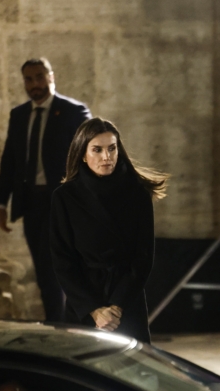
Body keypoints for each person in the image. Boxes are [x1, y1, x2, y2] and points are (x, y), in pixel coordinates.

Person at [49, 118, 167, 343]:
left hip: (126, 300)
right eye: (97, 150)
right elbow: (62, 261)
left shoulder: (138, 193)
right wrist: (94, 310)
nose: (106, 156)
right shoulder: (65, 197)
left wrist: (116, 308)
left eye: (112, 148)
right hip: (84, 302)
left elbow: (143, 257)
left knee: (133, 372)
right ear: (83, 154)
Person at [0, 57, 91, 323]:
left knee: (58, 270)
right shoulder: (19, 115)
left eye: (39, 77)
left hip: (62, 203)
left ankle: (68, 327)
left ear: (51, 76)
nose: (34, 83)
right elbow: (10, 161)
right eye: (28, 79)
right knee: (43, 271)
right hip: (32, 203)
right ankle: (57, 326)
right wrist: (0, 203)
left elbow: (87, 160)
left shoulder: (74, 112)